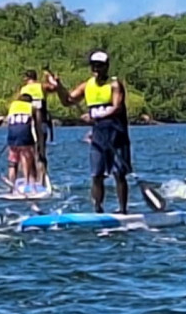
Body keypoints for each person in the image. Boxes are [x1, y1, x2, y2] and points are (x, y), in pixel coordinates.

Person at [49, 50, 131, 214]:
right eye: (93, 65)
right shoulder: (87, 85)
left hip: (117, 135)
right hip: (99, 136)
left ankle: (123, 210)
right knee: (96, 175)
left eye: (100, 65)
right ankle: (98, 209)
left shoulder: (114, 85)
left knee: (118, 174)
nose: (96, 68)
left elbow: (117, 107)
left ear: (106, 67)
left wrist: (94, 115)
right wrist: (59, 88)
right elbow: (68, 101)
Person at [19, 70, 55, 187]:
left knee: (29, 151)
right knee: (41, 151)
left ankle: (31, 179)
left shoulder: (23, 90)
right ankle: (42, 179)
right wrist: (49, 77)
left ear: (26, 78)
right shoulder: (42, 86)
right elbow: (54, 86)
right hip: (42, 123)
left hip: (26, 125)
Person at [4, 93, 39, 192]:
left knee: (13, 162)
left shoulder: (13, 106)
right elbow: (36, 125)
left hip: (12, 136)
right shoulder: (31, 107)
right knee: (26, 158)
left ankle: (11, 186)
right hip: (25, 136)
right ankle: (27, 183)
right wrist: (38, 141)